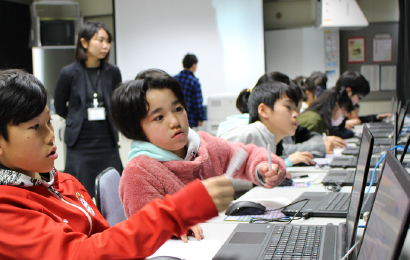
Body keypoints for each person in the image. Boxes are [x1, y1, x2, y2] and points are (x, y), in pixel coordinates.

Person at [0, 69, 236, 259]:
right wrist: (178, 212)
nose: (51, 135)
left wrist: (170, 225)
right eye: (35, 127)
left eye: (49, 122)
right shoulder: (6, 210)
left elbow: (107, 239)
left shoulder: (66, 182)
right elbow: (80, 253)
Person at [110, 69, 287, 219]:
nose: (174, 121)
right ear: (137, 129)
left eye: (177, 109)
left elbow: (246, 155)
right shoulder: (139, 173)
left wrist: (262, 167)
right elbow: (146, 231)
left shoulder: (203, 145)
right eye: (159, 117)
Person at [54, 21, 123, 197]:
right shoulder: (69, 72)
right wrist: (75, 118)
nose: (105, 46)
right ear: (84, 42)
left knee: (113, 192)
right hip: (80, 145)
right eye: (100, 40)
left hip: (107, 142)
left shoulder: (113, 71)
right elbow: (61, 106)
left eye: (108, 41)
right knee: (78, 192)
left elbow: (117, 102)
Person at [218, 81, 315, 167]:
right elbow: (220, 175)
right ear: (264, 111)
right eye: (288, 107)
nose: (296, 114)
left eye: (297, 109)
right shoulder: (246, 135)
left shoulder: (271, 140)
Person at [174, 53, 205, 128]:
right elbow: (198, 104)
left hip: (175, 118)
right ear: (194, 65)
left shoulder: (174, 80)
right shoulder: (194, 82)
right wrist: (201, 118)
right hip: (189, 120)